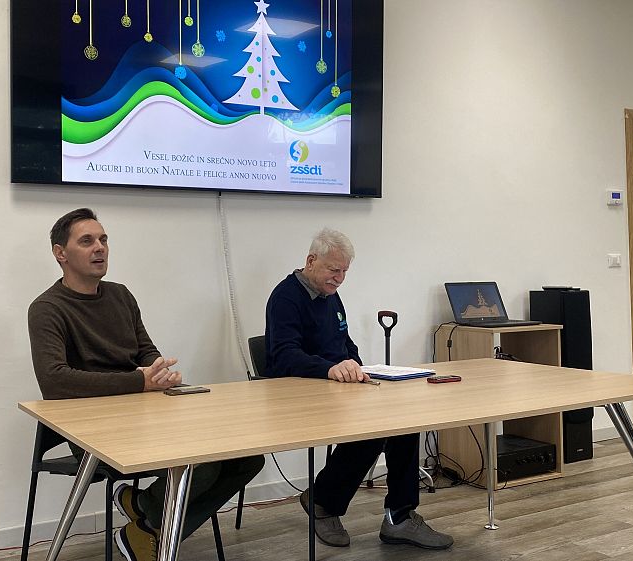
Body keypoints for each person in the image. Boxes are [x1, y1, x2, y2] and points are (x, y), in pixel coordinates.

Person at [28, 208, 264, 561]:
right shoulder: (47, 308)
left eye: (103, 239)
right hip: (91, 429)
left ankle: (144, 520)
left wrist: (159, 371)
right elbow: (55, 382)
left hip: (144, 416)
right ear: (60, 253)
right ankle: (148, 518)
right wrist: (139, 381)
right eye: (87, 241)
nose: (100, 248)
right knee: (203, 465)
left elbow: (145, 351)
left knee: (247, 458)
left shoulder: (121, 295)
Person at [263, 227, 453, 551]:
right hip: (297, 393)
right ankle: (323, 502)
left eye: (344, 272)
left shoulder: (330, 295)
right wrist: (329, 368)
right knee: (374, 429)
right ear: (311, 261)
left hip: (337, 388)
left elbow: (345, 343)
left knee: (404, 419)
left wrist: (360, 368)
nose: (339, 279)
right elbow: (283, 356)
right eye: (333, 270)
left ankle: (400, 516)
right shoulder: (285, 297)